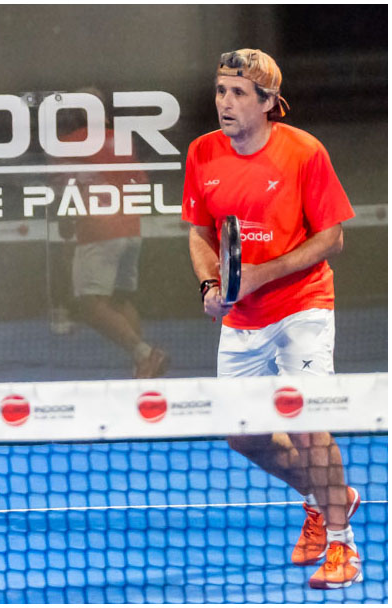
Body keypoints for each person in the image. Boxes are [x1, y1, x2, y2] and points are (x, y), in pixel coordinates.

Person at [182, 49, 360, 589]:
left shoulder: (304, 152)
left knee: (305, 425)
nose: (225, 102)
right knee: (244, 435)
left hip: (302, 305)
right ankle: (326, 498)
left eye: (238, 93)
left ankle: (343, 545)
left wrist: (263, 274)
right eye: (221, 90)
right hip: (243, 317)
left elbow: (332, 238)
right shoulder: (202, 152)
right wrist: (211, 285)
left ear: (267, 102)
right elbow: (199, 232)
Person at [54, 90, 169, 378]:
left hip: (97, 233)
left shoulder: (67, 144)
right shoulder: (121, 139)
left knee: (89, 305)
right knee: (119, 300)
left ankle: (145, 354)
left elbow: (65, 187)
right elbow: (141, 180)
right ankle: (142, 365)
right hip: (130, 230)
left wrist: (66, 218)